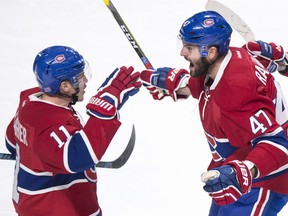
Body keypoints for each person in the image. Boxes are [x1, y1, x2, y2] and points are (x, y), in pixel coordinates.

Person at [140, 11, 288, 215]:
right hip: (233, 167)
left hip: (264, 180)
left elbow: (277, 145)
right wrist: (177, 85)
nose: (182, 52)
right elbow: (208, 88)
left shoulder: (239, 90)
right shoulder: (225, 60)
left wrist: (245, 172)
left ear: (210, 52)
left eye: (188, 47)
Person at [5, 45, 141, 215]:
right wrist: (104, 111)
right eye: (79, 77)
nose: (85, 80)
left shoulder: (31, 101)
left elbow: (12, 143)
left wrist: (39, 159)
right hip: (53, 209)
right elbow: (79, 158)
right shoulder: (46, 126)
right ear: (65, 87)